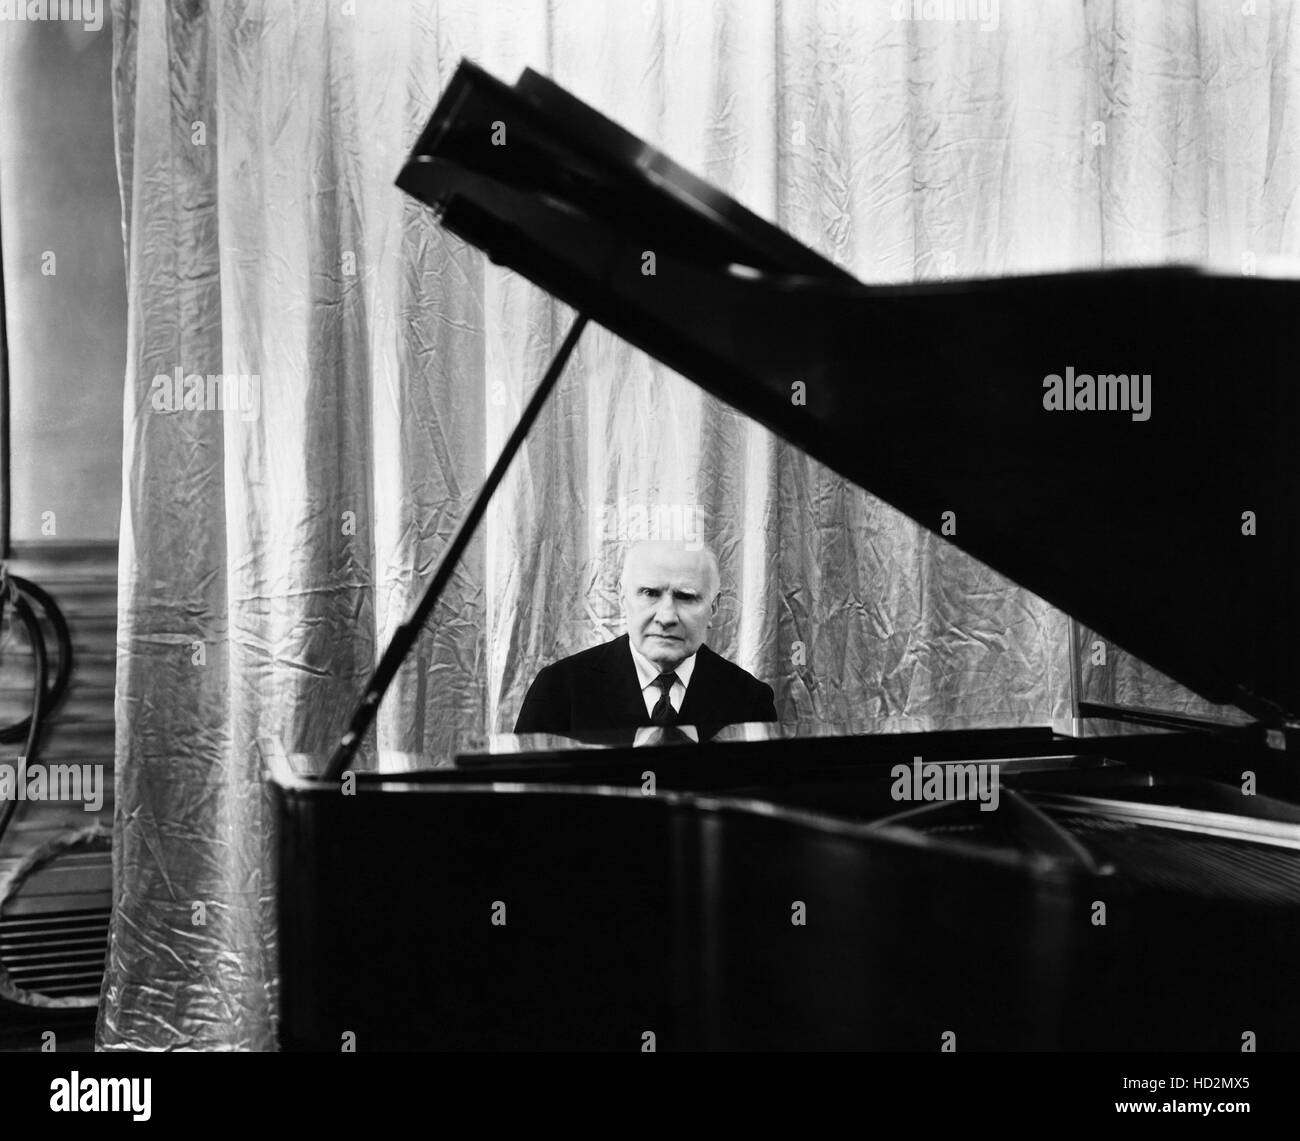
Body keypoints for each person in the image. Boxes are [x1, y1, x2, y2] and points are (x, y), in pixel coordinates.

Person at [514, 539, 777, 737]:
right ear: (622, 597)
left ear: (714, 607)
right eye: (650, 593)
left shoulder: (750, 701)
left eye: (686, 596)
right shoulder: (558, 691)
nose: (666, 617)